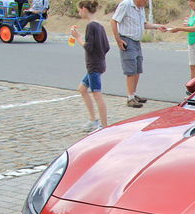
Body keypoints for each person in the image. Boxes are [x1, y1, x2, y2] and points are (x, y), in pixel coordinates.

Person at [111, 0, 167, 108]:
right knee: (130, 69)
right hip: (127, 39)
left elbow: (144, 24)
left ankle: (134, 94)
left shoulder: (140, 8)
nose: (146, 3)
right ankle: (130, 97)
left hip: (136, 41)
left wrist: (157, 26)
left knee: (137, 68)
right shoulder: (126, 5)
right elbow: (114, 21)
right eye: (145, 0)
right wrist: (118, 40)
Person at [70, 0, 109, 132]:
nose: (79, 13)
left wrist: (78, 37)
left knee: (97, 94)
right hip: (98, 64)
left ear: (84, 9)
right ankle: (93, 120)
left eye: (79, 10)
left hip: (93, 66)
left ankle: (103, 125)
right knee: (82, 89)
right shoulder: (99, 25)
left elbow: (88, 47)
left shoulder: (91, 26)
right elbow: (106, 47)